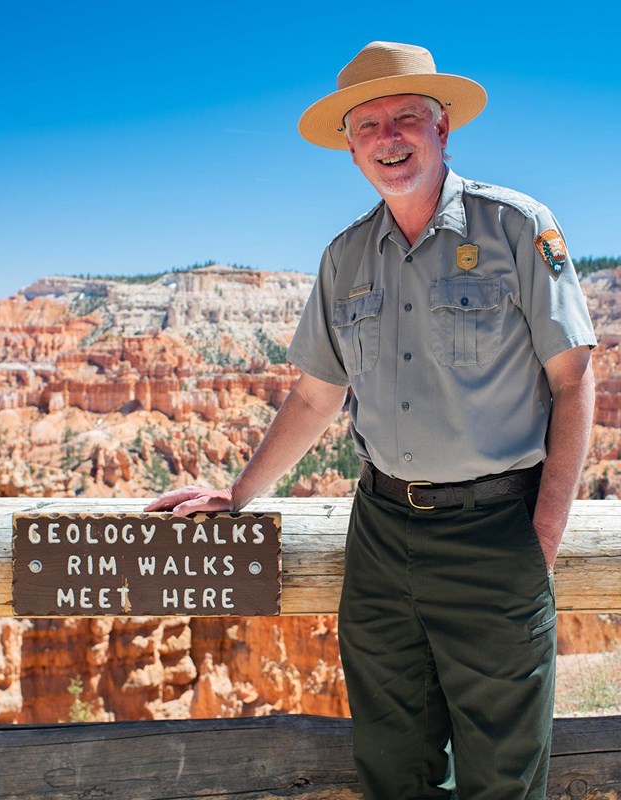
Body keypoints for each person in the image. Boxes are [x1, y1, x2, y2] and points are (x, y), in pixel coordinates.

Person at [145, 41, 597, 799]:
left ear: (442, 128)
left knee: (504, 779)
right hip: (382, 536)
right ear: (351, 150)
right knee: (393, 768)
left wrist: (538, 545)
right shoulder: (345, 258)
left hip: (496, 532)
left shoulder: (518, 228)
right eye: (370, 126)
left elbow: (575, 383)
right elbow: (317, 396)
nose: (390, 137)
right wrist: (240, 493)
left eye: (407, 118)